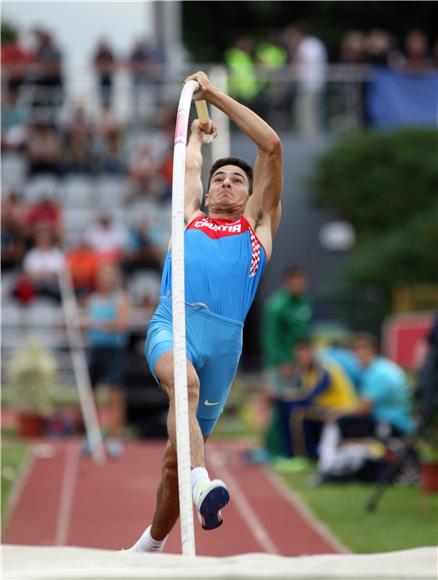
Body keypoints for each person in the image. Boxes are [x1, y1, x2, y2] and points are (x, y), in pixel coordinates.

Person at [128, 70, 283, 552]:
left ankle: (149, 547)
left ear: (249, 195)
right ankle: (202, 483)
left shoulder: (258, 227)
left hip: (225, 345)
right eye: (220, 178)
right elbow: (189, 170)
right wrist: (195, 134)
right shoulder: (188, 218)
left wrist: (214, 96)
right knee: (184, 385)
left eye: (238, 180)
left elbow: (272, 146)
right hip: (173, 323)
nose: (227, 184)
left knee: (176, 460)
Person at [317, 333, 415, 478]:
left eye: (362, 350)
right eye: (356, 351)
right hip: (387, 421)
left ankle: (328, 465)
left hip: (393, 424)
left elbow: (363, 409)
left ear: (373, 350)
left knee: (336, 422)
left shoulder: (379, 373)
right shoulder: (375, 370)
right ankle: (334, 464)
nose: (357, 355)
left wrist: (339, 412)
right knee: (340, 421)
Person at [261, 266, 312, 458]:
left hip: (300, 363)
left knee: (295, 404)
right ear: (288, 282)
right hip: (282, 365)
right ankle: (274, 448)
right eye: (296, 281)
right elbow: (271, 337)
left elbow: (304, 333)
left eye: (303, 281)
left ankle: (289, 447)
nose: (300, 285)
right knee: (278, 403)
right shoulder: (277, 306)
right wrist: (281, 362)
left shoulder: (305, 301)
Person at [81, 263, 130, 457]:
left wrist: (94, 323)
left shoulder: (120, 299)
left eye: (110, 275)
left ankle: (114, 438)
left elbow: (121, 324)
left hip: (114, 351)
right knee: (90, 396)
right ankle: (92, 436)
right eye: (103, 275)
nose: (106, 279)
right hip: (95, 351)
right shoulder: (91, 300)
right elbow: (83, 322)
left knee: (115, 396)